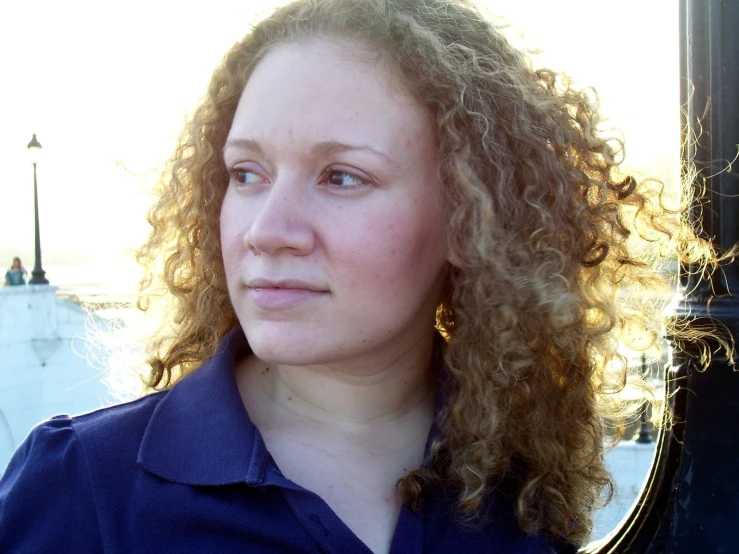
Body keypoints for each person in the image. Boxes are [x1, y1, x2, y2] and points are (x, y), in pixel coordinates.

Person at [0, 0, 725, 552]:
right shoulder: (80, 489)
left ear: (471, 216)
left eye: (341, 176)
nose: (265, 230)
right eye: (245, 173)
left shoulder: (516, 495)